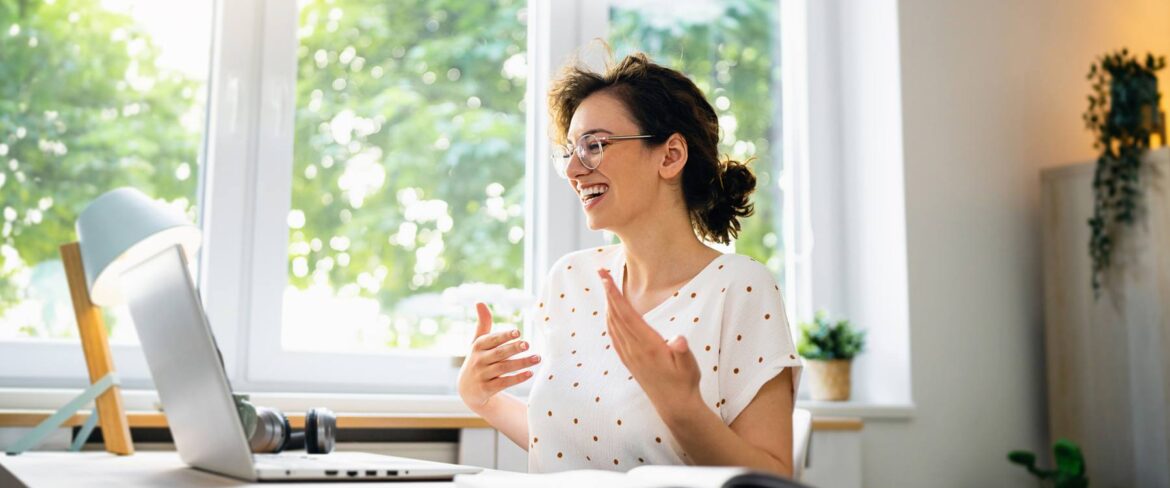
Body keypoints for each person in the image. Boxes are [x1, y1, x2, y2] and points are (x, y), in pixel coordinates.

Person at [456, 52, 802, 477]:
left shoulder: (741, 287)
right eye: (569, 151)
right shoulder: (570, 281)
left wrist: (682, 406)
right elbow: (580, 444)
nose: (571, 169)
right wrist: (483, 399)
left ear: (671, 155)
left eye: (594, 145)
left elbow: (773, 480)